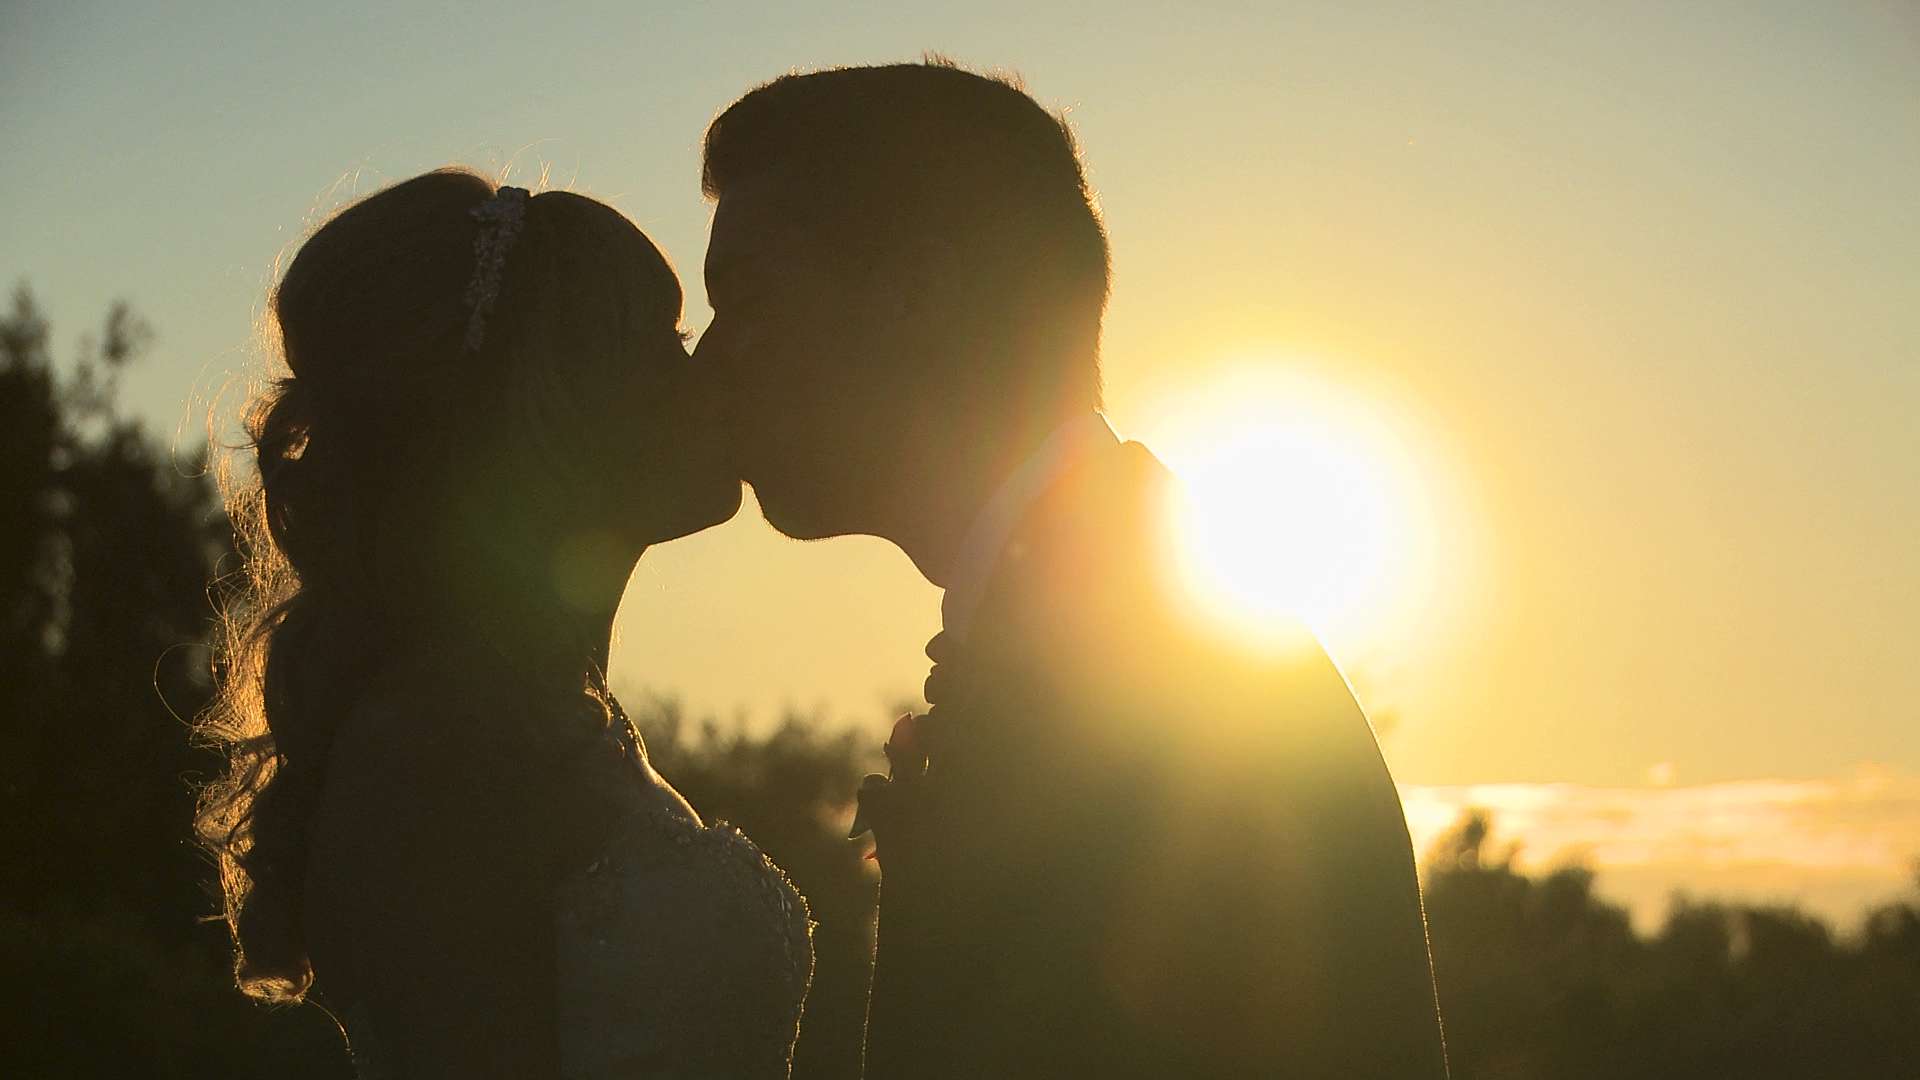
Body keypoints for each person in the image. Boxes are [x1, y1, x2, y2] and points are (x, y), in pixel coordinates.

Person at [697, 61, 1449, 1077]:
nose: (711, 361)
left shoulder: (1124, 669)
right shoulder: (1117, 605)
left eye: (745, 301)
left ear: (917, 292)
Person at [193, 170, 813, 1078]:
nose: (710, 369)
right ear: (551, 404)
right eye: (663, 339)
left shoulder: (544, 711)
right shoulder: (436, 747)